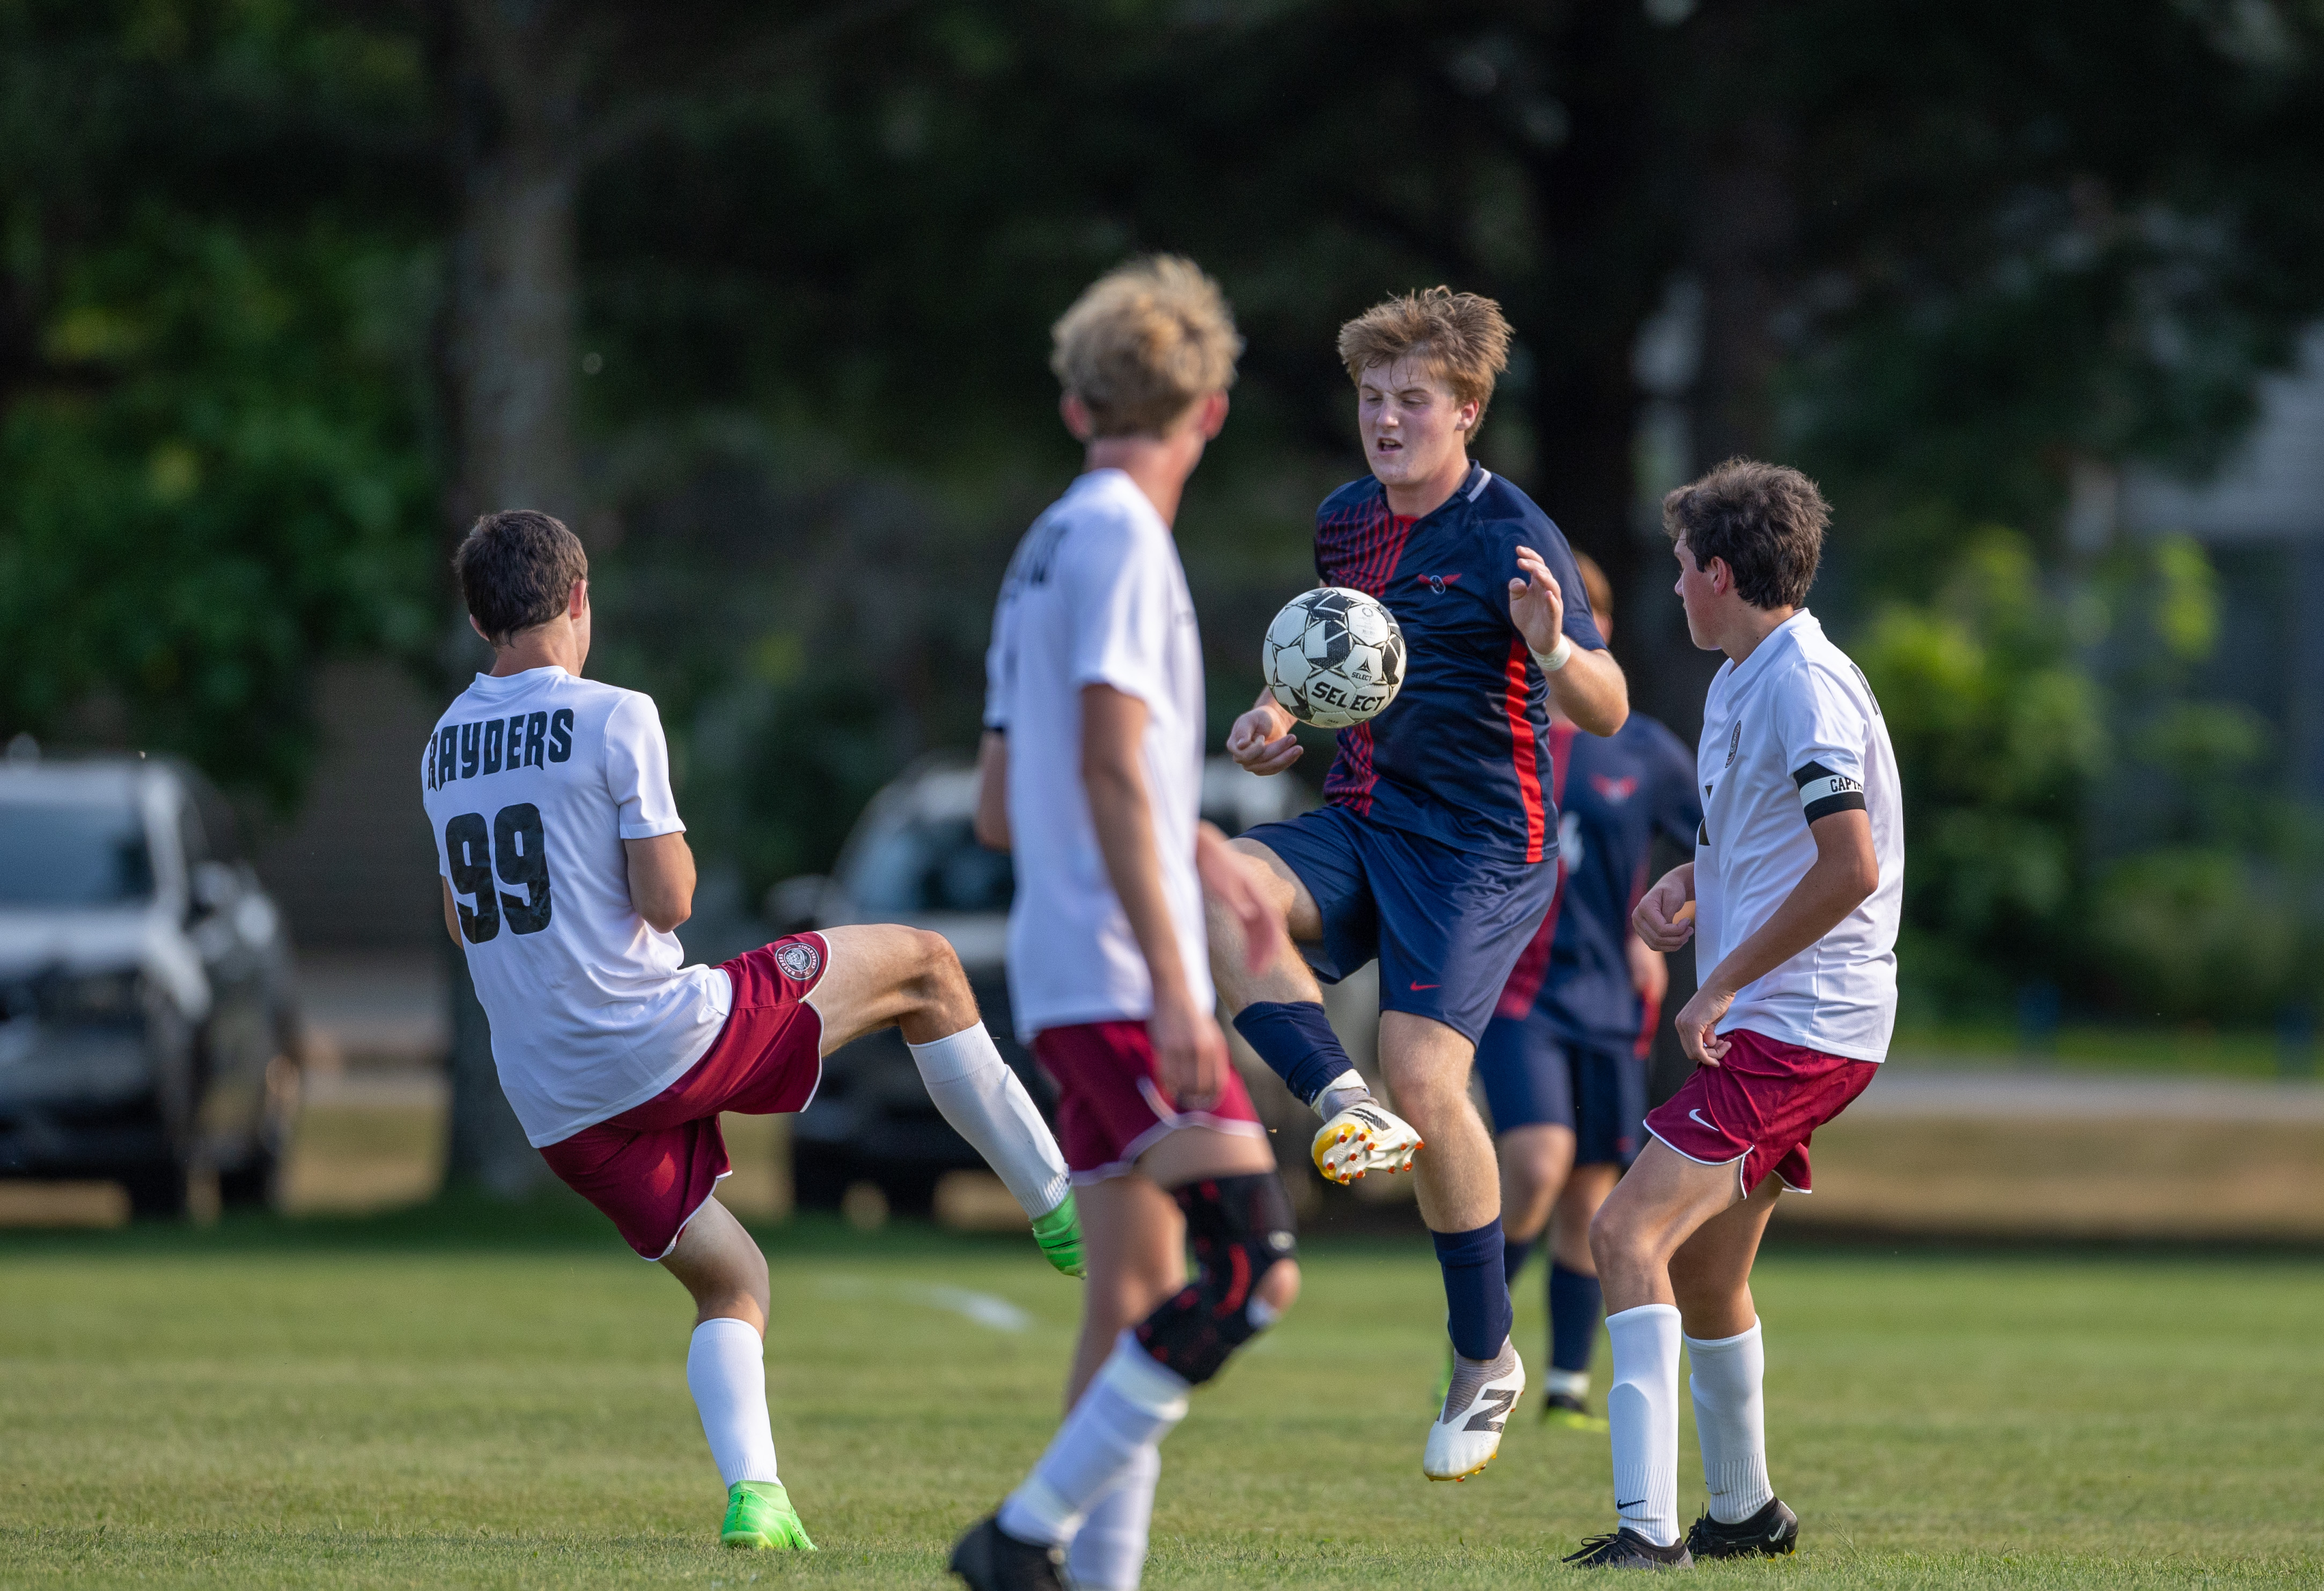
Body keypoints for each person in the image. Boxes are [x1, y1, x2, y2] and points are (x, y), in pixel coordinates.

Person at [422, 510, 1083, 1555]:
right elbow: (671, 899)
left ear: (476, 619)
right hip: (654, 1038)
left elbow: (468, 921)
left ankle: (758, 1498)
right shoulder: (616, 714)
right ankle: (1061, 1204)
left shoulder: (441, 747)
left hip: (553, 1097)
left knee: (732, 1282)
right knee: (927, 965)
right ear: (581, 597)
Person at [1209, 286, 1630, 1484]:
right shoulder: (1344, 521)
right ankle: (1338, 1101)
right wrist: (1276, 716)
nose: (1386, 420)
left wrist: (1552, 644)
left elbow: (1608, 706)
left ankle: (1484, 1354)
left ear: (1468, 411)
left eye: (1411, 401)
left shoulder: (1513, 535)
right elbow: (1325, 658)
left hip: (1481, 849)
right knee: (1218, 885)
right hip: (1362, 817)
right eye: (1371, 398)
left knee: (1428, 1077)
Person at [949, 257, 1300, 1591]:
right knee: (1250, 1270)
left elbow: (1001, 803)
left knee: (1133, 1293)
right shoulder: (1121, 541)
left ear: (1073, 405)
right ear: (1208, 410)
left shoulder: (1043, 545)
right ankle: (1019, 1537)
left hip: (1061, 968)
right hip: (1115, 975)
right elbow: (1105, 759)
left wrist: (1188, 836)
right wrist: (1174, 975)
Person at [1564, 460, 1903, 1569]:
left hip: (1798, 1021)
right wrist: (1691, 884)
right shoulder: (1741, 678)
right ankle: (1745, 1513)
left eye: (1679, 568)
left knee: (1622, 1232)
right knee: (1704, 1274)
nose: (1671, 587)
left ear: (1718, 572)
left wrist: (1716, 983)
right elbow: (1770, 844)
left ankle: (1645, 1529)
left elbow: (1849, 865)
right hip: (1775, 1016)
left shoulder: (1804, 684)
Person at [1476, 551, 1700, 1434]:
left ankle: (1566, 1383)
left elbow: (1718, 844)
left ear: (1598, 627)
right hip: (1514, 991)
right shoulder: (1492, 729)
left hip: (1610, 998)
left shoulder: (1642, 747)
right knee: (1535, 1162)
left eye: (1582, 610)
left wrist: (1667, 915)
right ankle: (1476, 1343)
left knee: (1589, 1196)